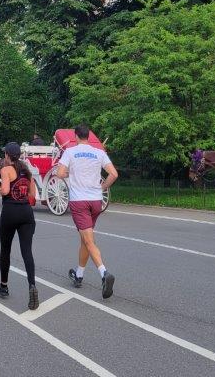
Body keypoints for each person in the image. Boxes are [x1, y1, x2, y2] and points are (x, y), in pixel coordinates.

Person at [56, 124, 119, 299]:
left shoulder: (70, 152)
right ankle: (79, 274)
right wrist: (103, 186)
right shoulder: (99, 153)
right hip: (96, 201)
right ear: (89, 136)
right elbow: (113, 174)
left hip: (79, 202)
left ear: (76, 136)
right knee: (85, 238)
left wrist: (72, 173)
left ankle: (104, 273)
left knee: (89, 241)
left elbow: (60, 173)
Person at [0, 142, 39, 310]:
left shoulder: (6, 170)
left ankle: (4, 285)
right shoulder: (27, 172)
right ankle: (32, 285)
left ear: (6, 156)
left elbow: (5, 190)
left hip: (10, 212)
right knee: (27, 251)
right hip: (26, 213)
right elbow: (32, 195)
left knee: (5, 249)